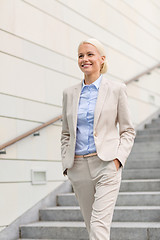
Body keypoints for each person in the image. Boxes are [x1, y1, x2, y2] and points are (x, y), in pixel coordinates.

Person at [61, 38, 135, 240]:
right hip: (78, 166)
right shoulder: (69, 93)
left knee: (99, 226)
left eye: (89, 54)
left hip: (106, 165)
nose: (84, 59)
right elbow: (66, 133)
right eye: (80, 55)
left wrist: (118, 159)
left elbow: (128, 130)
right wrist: (67, 163)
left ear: (102, 59)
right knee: (91, 225)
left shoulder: (117, 89)